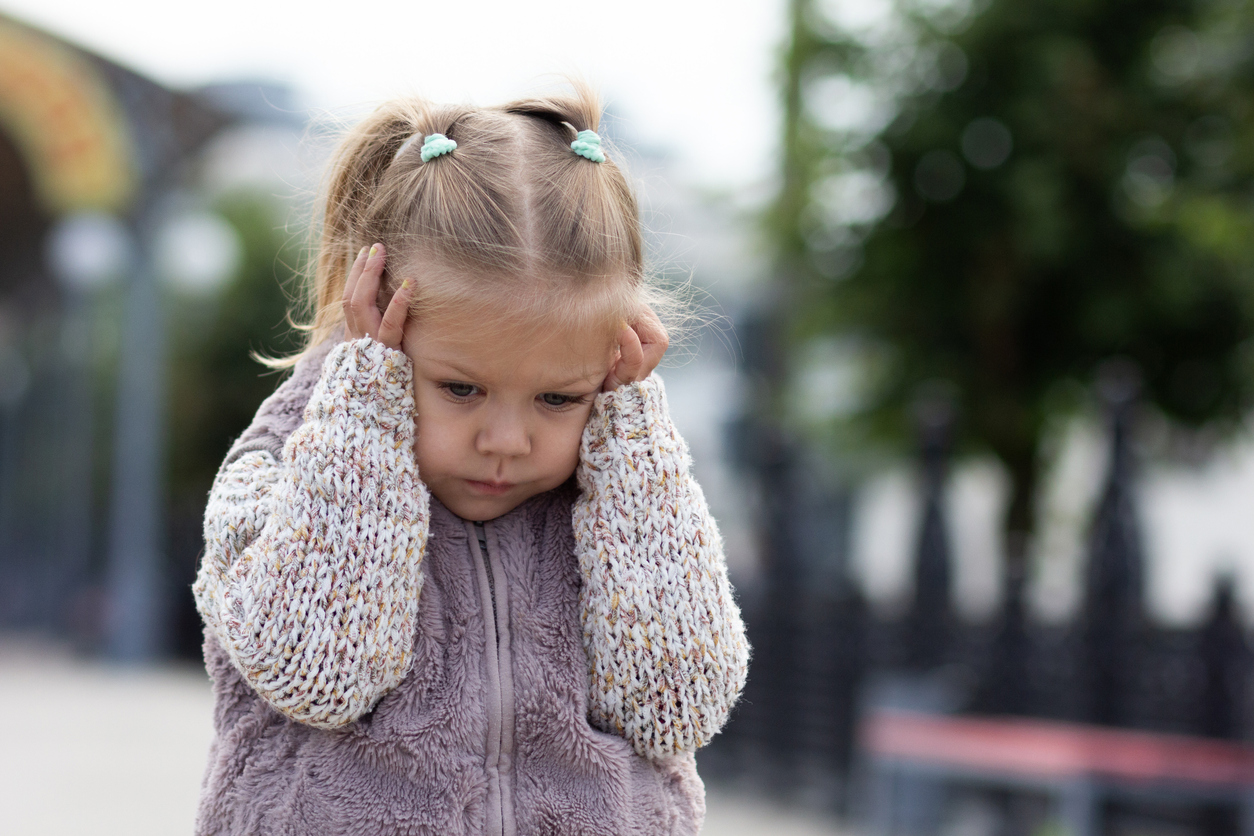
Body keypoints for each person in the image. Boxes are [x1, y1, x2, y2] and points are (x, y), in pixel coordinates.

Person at [191, 85, 749, 836]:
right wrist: (364, 410)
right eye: (461, 388)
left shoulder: (624, 487)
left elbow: (679, 704)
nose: (507, 440)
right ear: (380, 328)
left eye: (558, 398)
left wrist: (630, 436)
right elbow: (318, 671)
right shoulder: (281, 469)